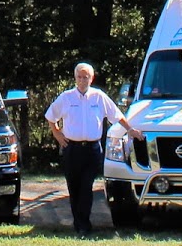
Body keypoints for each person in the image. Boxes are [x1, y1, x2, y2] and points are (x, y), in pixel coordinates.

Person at [44, 63, 142, 234]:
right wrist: (57, 134)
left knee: (86, 186)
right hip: (72, 149)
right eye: (80, 77)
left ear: (92, 78)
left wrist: (130, 130)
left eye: (86, 77)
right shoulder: (66, 97)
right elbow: (51, 116)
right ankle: (79, 223)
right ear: (75, 78)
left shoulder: (99, 97)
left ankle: (84, 225)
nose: (83, 81)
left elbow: (116, 115)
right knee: (74, 187)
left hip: (92, 150)